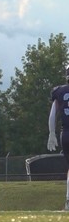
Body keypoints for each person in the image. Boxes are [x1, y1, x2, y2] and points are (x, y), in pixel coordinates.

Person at [47, 66, 69, 211]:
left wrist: (52, 133)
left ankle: (68, 202)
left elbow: (53, 113)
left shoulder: (59, 91)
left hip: (66, 133)